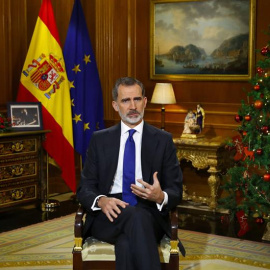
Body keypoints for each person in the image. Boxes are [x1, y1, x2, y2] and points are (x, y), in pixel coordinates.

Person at [76, 77, 184, 270]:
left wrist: (160, 197)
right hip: (108, 213)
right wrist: (102, 200)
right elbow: (85, 188)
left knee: (127, 242)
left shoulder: (163, 140)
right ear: (115, 105)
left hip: (149, 211)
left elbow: (176, 190)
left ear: (145, 102)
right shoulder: (99, 140)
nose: (132, 106)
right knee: (136, 221)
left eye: (137, 99)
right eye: (126, 101)